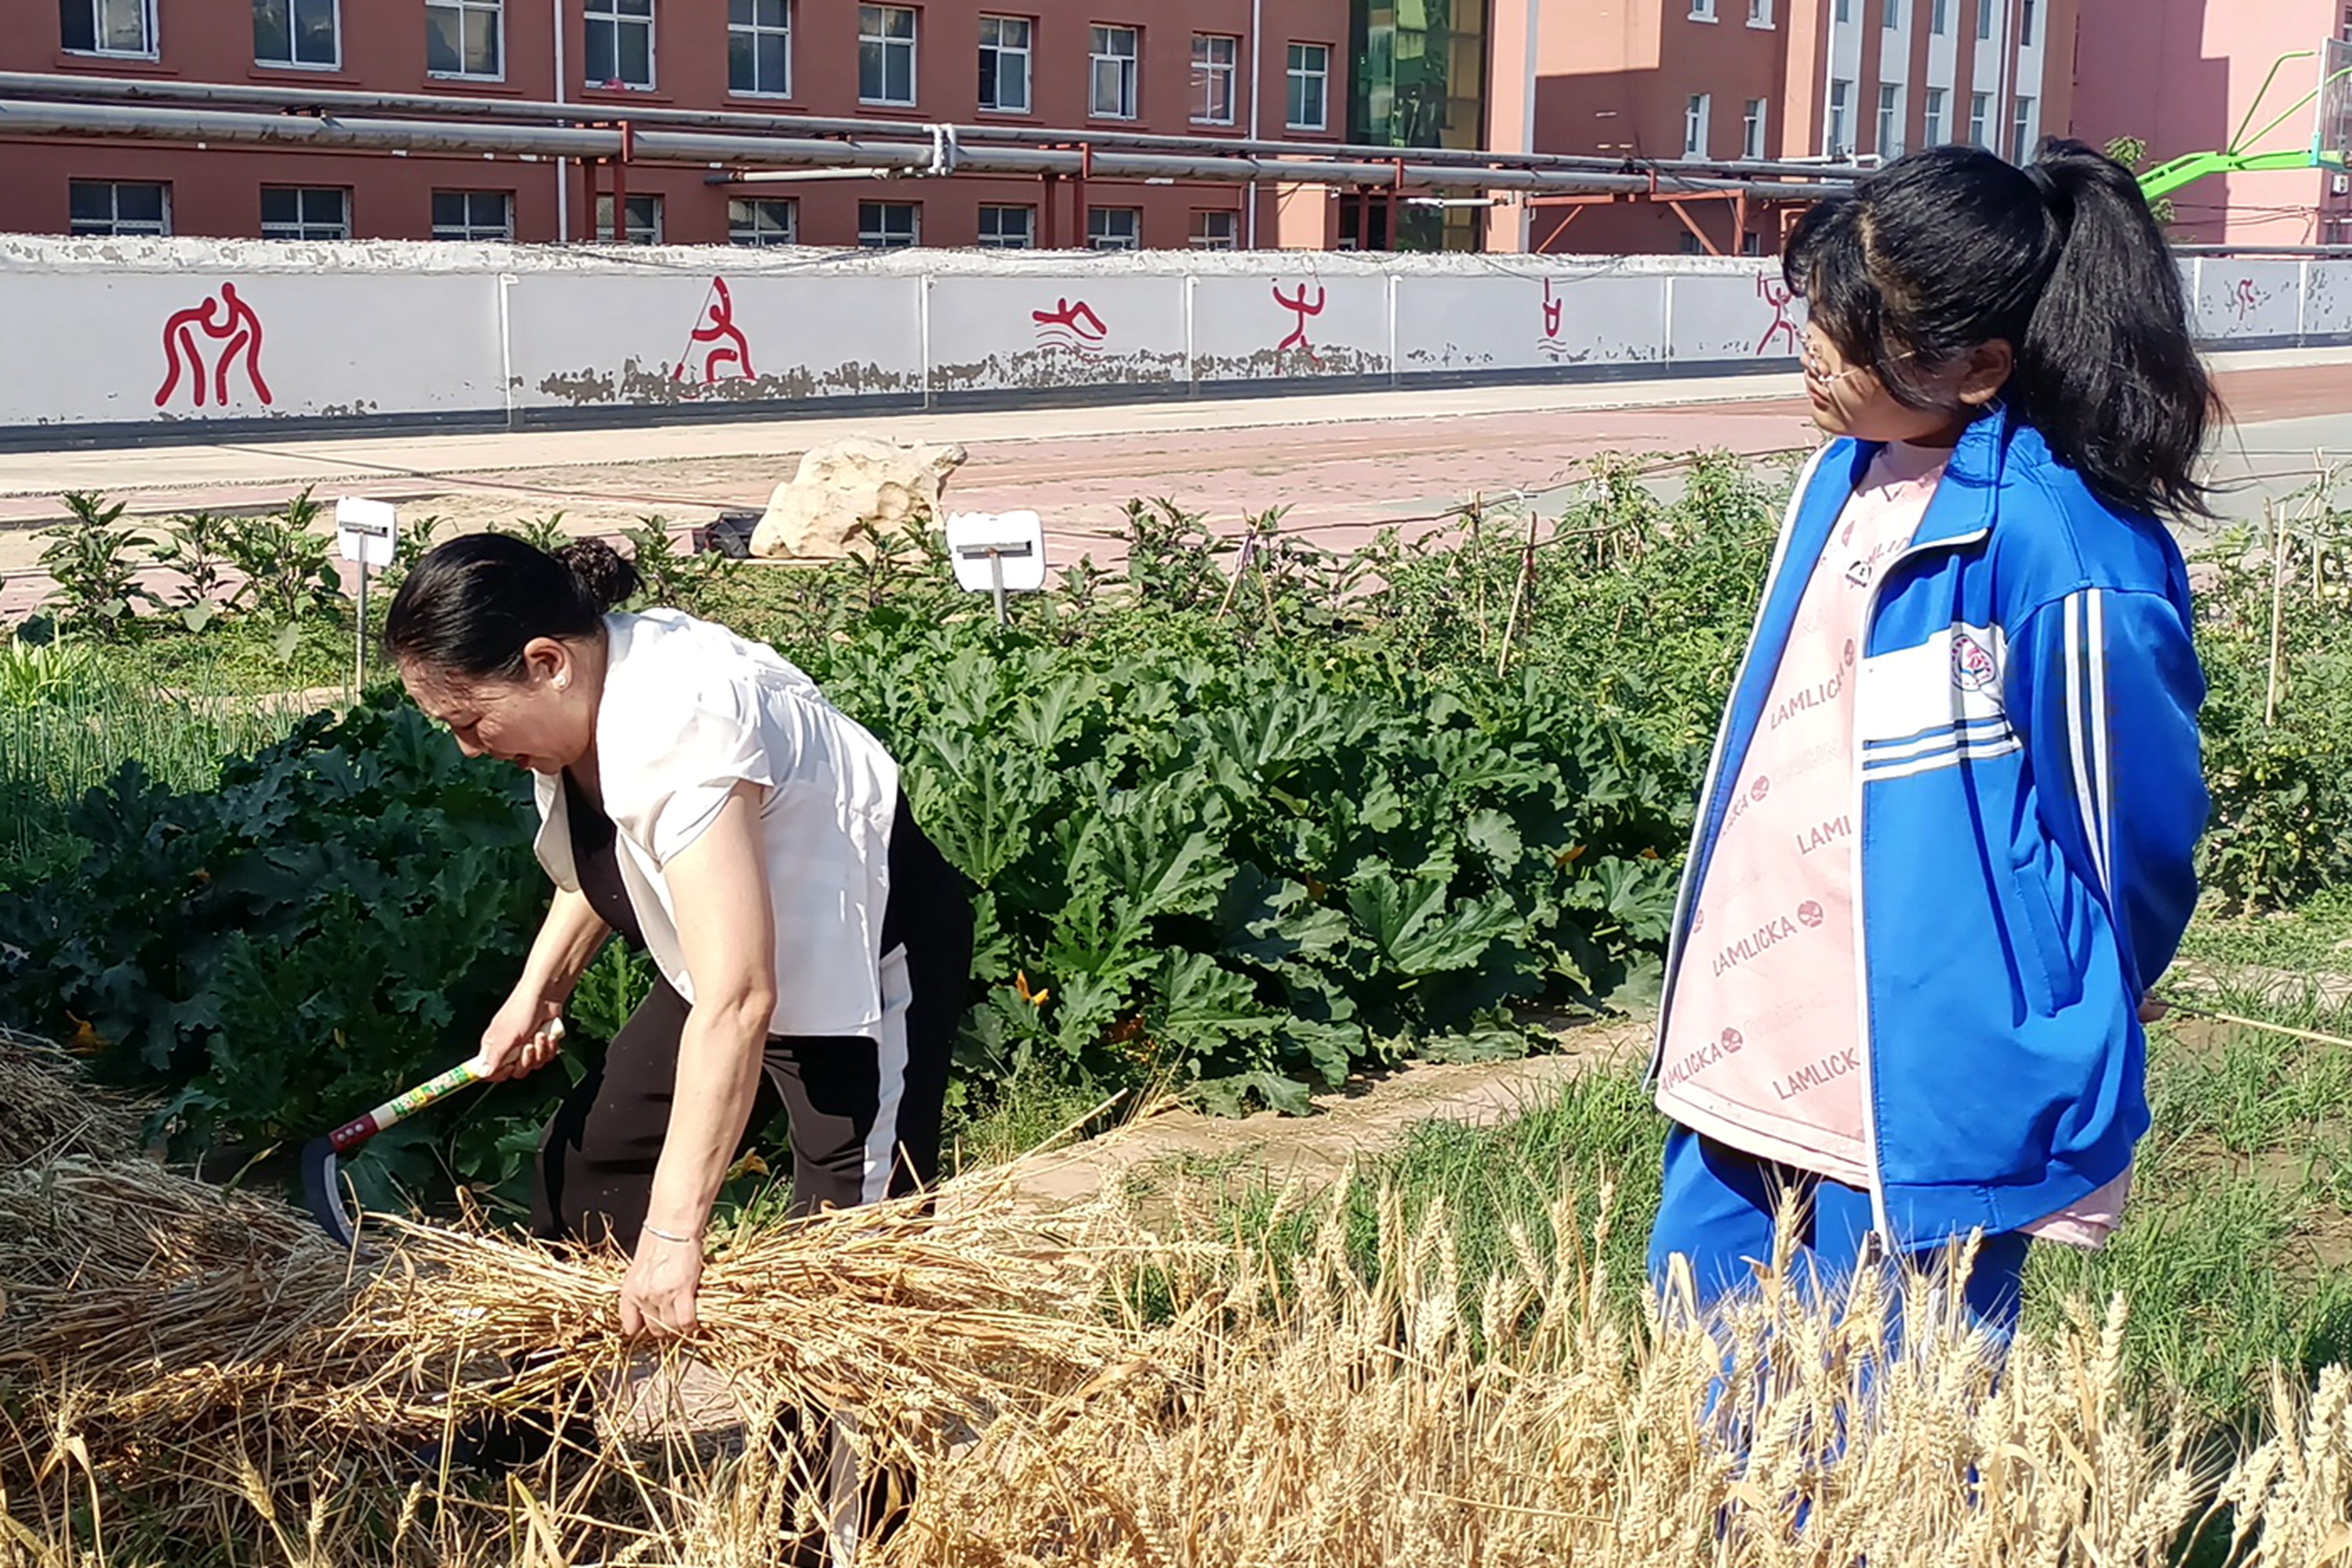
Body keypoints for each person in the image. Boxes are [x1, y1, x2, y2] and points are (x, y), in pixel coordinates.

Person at [1645, 140, 2212, 1340]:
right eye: (1812, 310)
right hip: (1757, 1011)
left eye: (1853, 333)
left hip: (1925, 1059)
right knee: (1709, 1352)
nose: (1813, 347)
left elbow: (2132, 824)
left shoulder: (2066, 551)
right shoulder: (1843, 477)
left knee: (1902, 1392)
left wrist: (2108, 972)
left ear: (1980, 366)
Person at [385, 531, 974, 1561]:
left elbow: (743, 1001)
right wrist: (537, 991)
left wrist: (673, 1234)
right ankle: (537, 1432)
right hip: (725, 960)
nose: (468, 748)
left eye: (470, 721)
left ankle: (829, 1531)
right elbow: (611, 857)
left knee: (845, 1260)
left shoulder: (683, 723)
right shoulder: (578, 706)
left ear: (546, 662)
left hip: (856, 969)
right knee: (593, 1159)